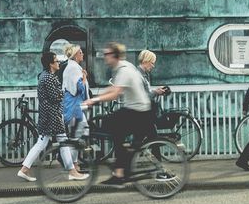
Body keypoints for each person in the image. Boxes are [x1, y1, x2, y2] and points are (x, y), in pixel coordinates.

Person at [83, 42, 153, 186]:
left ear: (115, 55)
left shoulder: (124, 71)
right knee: (115, 131)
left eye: (107, 54)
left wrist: (95, 100)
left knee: (111, 124)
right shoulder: (122, 68)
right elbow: (113, 88)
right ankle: (122, 165)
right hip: (137, 109)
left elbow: (115, 94)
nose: (105, 57)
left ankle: (120, 171)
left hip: (138, 111)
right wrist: (94, 98)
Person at [18, 50, 89, 182]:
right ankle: (72, 171)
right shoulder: (49, 78)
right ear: (51, 64)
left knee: (43, 142)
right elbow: (55, 97)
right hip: (52, 116)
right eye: (56, 61)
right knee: (62, 141)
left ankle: (24, 169)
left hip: (48, 115)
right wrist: (64, 93)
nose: (59, 63)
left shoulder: (45, 76)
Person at [62, 44, 90, 170]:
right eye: (80, 52)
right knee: (77, 136)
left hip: (74, 106)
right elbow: (79, 88)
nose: (82, 54)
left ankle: (75, 163)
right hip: (74, 107)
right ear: (75, 55)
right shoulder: (73, 68)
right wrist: (84, 78)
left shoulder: (73, 67)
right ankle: (74, 165)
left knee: (79, 133)